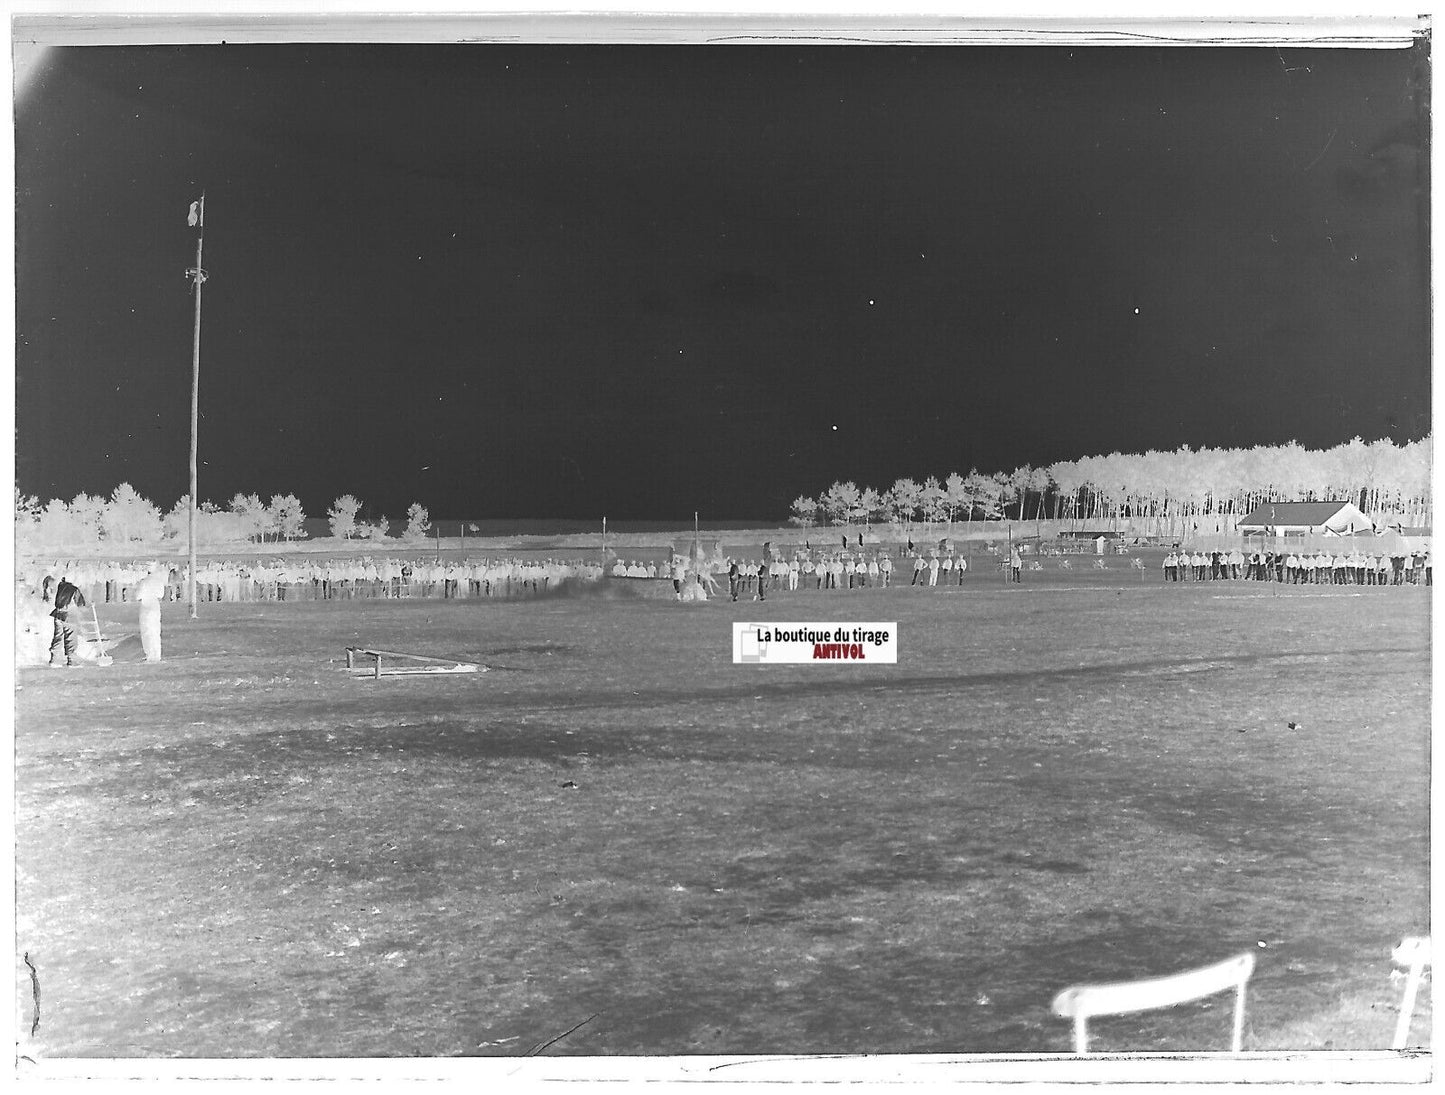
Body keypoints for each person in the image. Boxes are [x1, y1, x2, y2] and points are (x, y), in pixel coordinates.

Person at [48, 574, 88, 667]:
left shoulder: (60, 586)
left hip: (58, 615)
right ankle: (72, 660)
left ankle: (55, 659)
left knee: (58, 636)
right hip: (69, 616)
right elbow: (81, 604)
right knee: (71, 637)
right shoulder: (74, 589)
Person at [135, 562, 168, 662]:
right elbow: (161, 595)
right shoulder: (159, 582)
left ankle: (149, 654)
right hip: (155, 607)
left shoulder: (144, 582)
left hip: (146, 607)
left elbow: (137, 596)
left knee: (147, 631)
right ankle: (157, 654)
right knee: (155, 631)